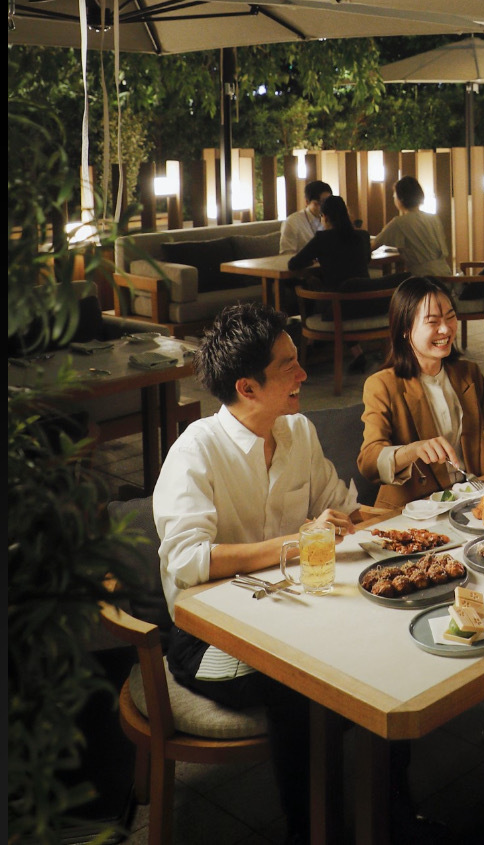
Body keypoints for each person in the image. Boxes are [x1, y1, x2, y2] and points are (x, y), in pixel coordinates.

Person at [152, 302, 370, 844]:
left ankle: (392, 810)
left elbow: (341, 509)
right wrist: (297, 542)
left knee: (376, 645)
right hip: (207, 637)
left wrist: (408, 522)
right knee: (305, 684)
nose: (303, 374)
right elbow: (189, 560)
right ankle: (314, 833)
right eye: (288, 366)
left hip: (287, 612)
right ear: (247, 388)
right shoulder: (196, 451)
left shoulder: (298, 432)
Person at [359, 276, 484, 509]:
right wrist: (412, 450)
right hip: (414, 511)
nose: (446, 329)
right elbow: (369, 462)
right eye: (432, 322)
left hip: (472, 501)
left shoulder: (468, 373)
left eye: (450, 317)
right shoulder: (382, 385)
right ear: (405, 330)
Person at [287, 195, 377, 318]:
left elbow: (293, 264)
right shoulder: (363, 236)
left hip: (336, 307)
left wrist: (310, 262)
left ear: (325, 217)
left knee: (305, 285)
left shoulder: (322, 238)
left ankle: (302, 327)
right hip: (367, 304)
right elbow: (366, 259)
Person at [371, 176, 452, 277]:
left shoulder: (400, 222)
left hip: (423, 278)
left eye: (394, 195)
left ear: (401, 198)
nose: (394, 198)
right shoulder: (433, 218)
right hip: (446, 274)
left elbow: (374, 245)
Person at [279, 179, 332, 254]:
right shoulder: (292, 222)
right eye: (318, 203)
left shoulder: (333, 218)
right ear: (307, 202)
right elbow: (287, 254)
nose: (324, 207)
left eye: (327, 203)